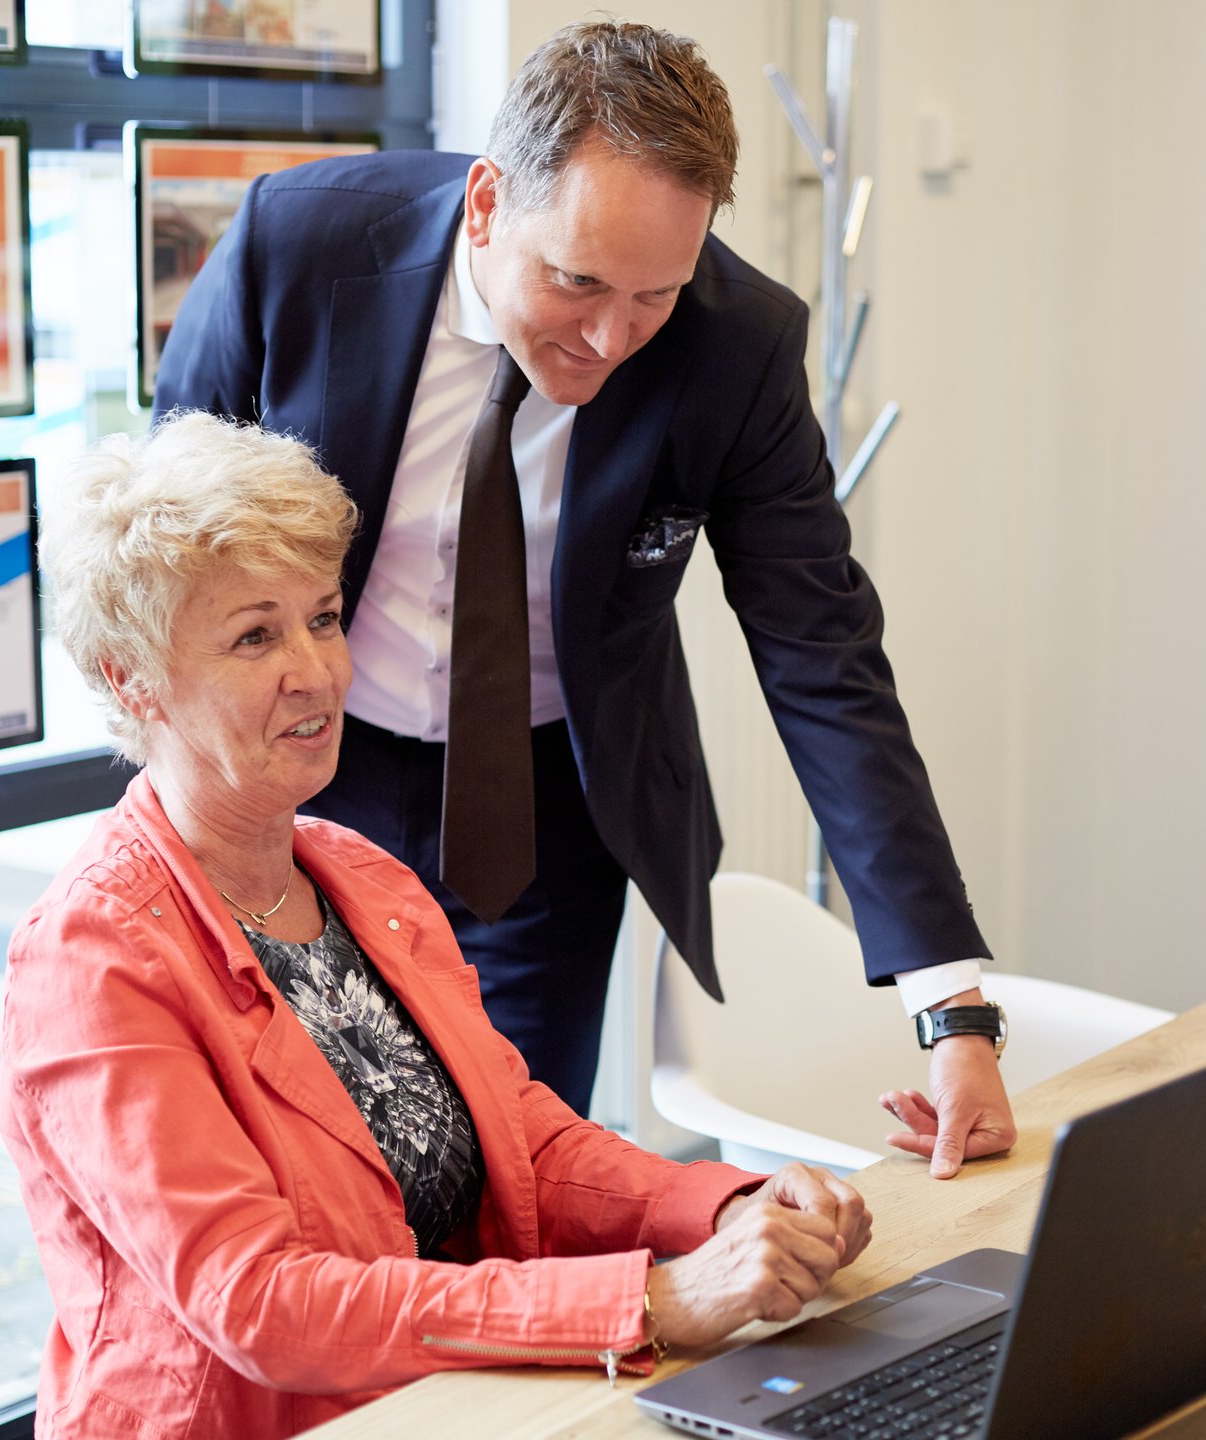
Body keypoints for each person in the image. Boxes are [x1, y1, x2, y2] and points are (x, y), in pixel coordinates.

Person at [155, 18, 1015, 1178]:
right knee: (306, 1171)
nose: (611, 338)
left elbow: (823, 653)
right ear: (486, 203)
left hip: (539, 822)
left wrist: (950, 1007)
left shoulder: (736, 347)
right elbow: (166, 549)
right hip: (301, 775)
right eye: (577, 282)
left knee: (508, 1176)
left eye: (654, 294)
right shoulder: (296, 247)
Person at [0, 415, 872, 1438]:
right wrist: (650, 1303)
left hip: (454, 1405)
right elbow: (258, 1301)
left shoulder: (361, 876)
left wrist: (723, 1211)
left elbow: (525, 1144)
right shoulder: (92, 961)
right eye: (254, 635)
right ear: (129, 679)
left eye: (323, 618)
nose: (316, 671)